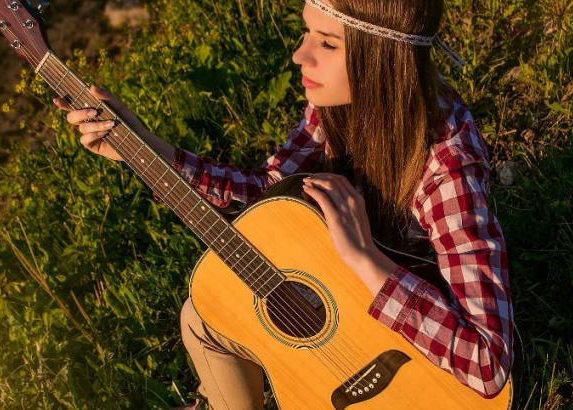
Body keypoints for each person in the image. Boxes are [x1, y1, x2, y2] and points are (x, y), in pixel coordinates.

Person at [54, 0, 513, 408]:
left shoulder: (447, 168)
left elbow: (488, 363)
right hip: (343, 295)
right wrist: (152, 150)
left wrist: (364, 258)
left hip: (410, 358)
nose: (299, 54)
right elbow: (267, 189)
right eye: (306, 32)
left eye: (327, 44)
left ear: (382, 61)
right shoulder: (335, 104)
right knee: (201, 316)